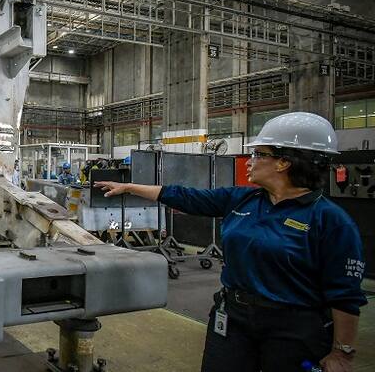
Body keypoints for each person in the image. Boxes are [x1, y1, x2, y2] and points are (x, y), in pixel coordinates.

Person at [94, 112, 366, 372]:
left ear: (284, 162)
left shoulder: (330, 220)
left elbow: (344, 295)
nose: (249, 160)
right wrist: (130, 188)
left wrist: (342, 352)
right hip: (234, 317)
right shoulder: (243, 199)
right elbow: (184, 196)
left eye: (259, 154)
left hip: (293, 328)